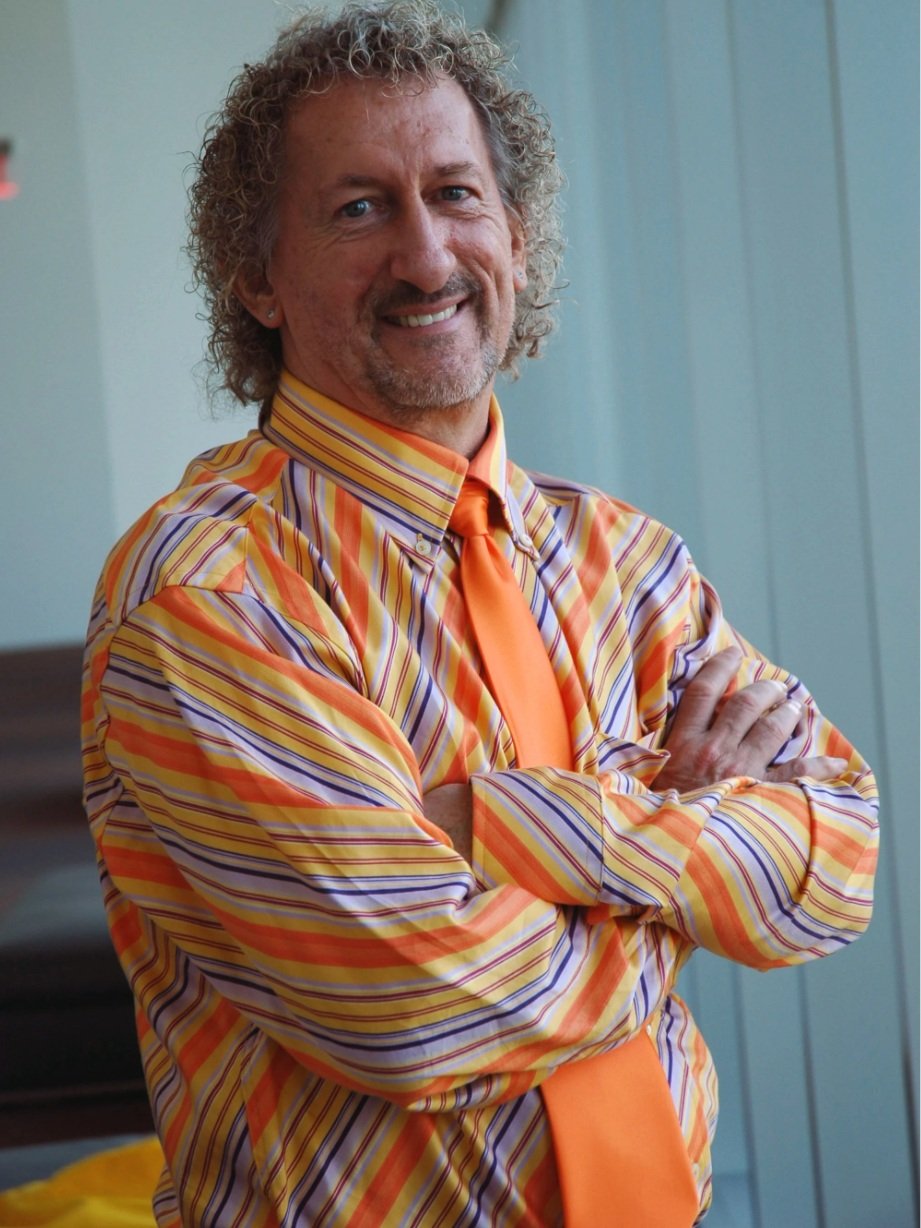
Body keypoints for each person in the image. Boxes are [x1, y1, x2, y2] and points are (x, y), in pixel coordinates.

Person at [81, 3, 878, 1225]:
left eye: (456, 194)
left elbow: (837, 862)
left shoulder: (620, 553)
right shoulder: (211, 591)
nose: (426, 256)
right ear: (255, 276)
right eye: (359, 208)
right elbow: (426, 1008)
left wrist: (509, 825)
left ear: (515, 230)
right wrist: (684, 867)